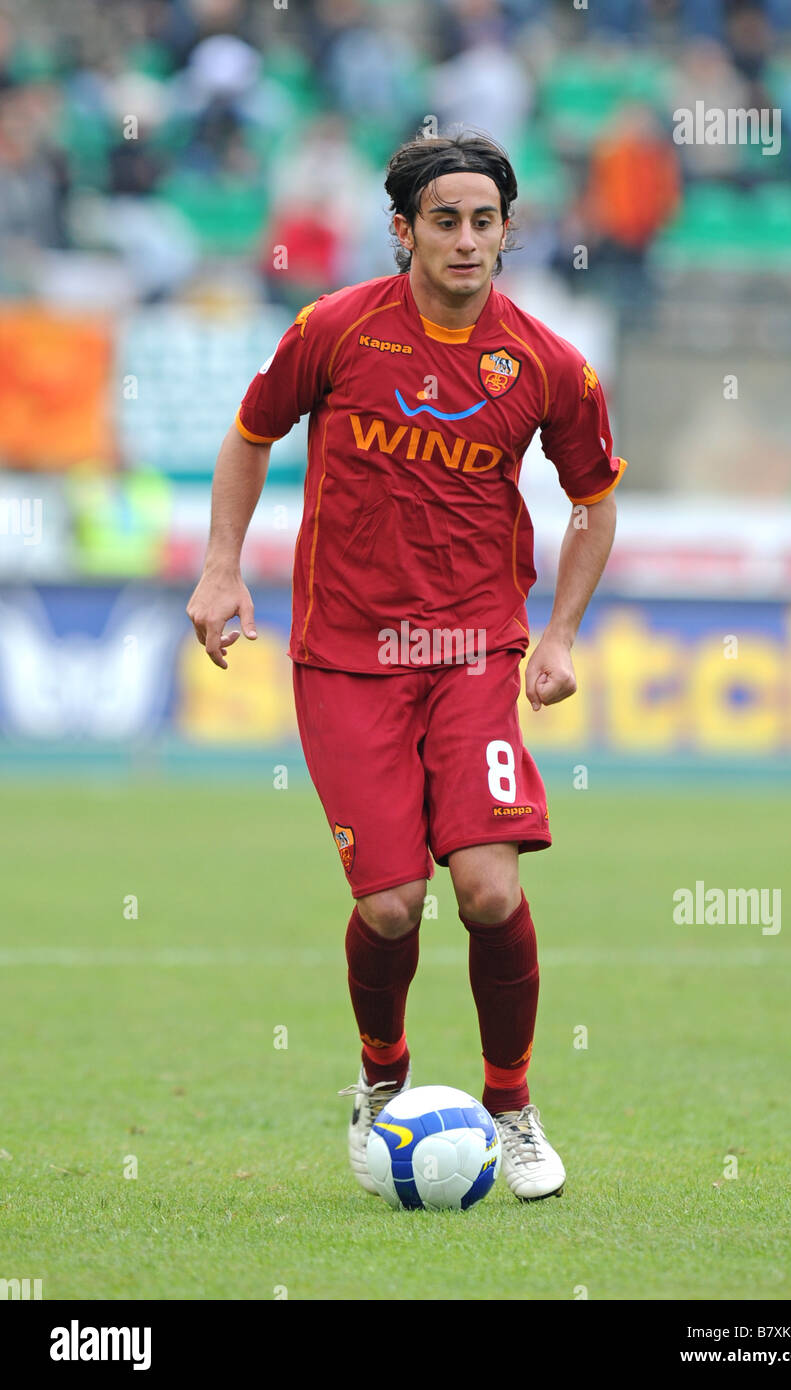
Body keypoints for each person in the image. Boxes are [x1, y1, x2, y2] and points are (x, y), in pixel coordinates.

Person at [186, 130, 627, 1202]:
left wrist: (559, 633)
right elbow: (250, 433)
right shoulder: (334, 329)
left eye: (484, 221)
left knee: (484, 885)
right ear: (404, 230)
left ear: (510, 232)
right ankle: (383, 1078)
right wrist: (218, 571)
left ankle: (511, 1102)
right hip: (346, 653)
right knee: (389, 906)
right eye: (445, 219)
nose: (466, 239)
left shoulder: (549, 365)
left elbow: (593, 501)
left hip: (475, 647)